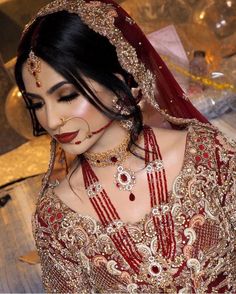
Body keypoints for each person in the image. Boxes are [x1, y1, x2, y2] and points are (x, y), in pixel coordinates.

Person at [15, 0, 236, 292]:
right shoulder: (57, 218)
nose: (52, 120)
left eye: (66, 95)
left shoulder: (206, 155)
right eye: (37, 104)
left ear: (120, 78)